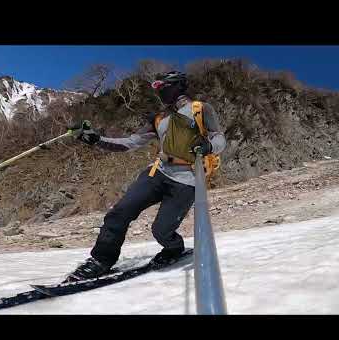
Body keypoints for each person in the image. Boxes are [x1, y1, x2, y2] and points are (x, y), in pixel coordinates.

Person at [64, 71, 226, 282]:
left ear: (177, 86)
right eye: (157, 89)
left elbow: (219, 138)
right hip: (157, 172)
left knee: (161, 230)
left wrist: (209, 145)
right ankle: (100, 261)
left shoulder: (201, 109)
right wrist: (96, 139)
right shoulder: (159, 118)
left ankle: (174, 247)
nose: (159, 92)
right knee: (119, 213)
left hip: (187, 180)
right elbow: (130, 143)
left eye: (162, 87)